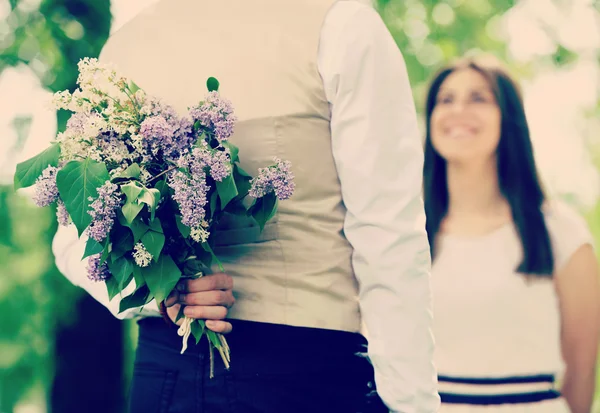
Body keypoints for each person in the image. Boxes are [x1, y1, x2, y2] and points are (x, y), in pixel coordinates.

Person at [52, 0, 440, 412]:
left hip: (212, 377)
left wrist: (158, 290)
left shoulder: (123, 49)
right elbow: (389, 235)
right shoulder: (341, 25)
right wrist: (411, 401)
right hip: (277, 375)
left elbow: (75, 242)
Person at [422, 55, 600, 412]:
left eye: (479, 98)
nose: (458, 111)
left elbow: (581, 375)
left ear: (509, 118)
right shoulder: (405, 235)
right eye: (446, 99)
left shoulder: (560, 232)